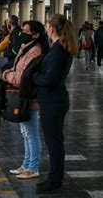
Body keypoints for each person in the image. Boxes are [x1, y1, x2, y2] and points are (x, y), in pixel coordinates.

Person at [32, 14, 76, 194]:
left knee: (54, 142)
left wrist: (34, 77)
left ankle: (55, 179)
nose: (45, 28)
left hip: (53, 101)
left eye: (47, 25)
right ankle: (54, 177)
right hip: (56, 100)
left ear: (51, 28)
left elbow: (50, 79)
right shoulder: (59, 48)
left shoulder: (58, 51)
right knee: (55, 141)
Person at [2, 21, 49, 179]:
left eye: (26, 31)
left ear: (36, 35)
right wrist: (11, 72)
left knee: (31, 133)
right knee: (26, 132)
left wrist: (6, 74)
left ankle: (33, 167)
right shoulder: (26, 48)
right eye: (22, 30)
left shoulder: (34, 51)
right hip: (24, 96)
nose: (22, 33)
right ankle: (26, 164)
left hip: (30, 98)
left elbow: (20, 76)